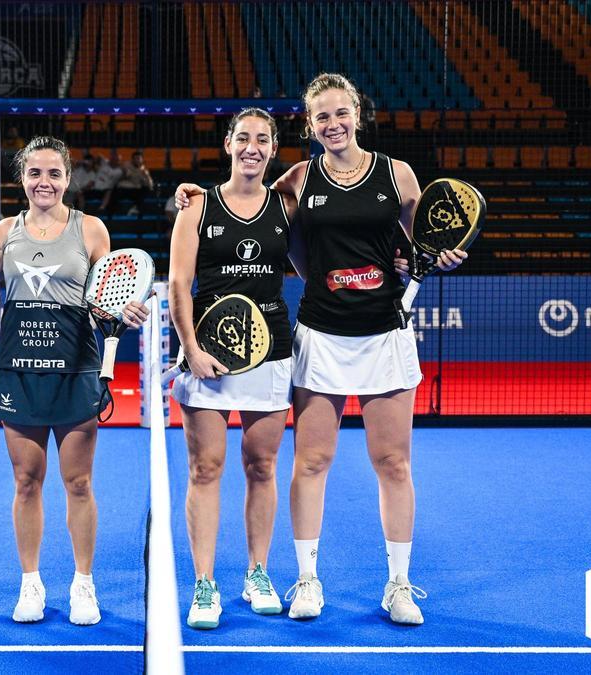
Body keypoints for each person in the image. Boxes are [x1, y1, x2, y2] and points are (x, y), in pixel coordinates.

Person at [175, 73, 465, 625]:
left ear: (358, 114)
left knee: (394, 462)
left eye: (341, 113)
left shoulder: (398, 176)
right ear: (310, 127)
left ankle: (399, 584)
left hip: (385, 331)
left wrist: (433, 258)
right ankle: (307, 579)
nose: (333, 124)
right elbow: (246, 201)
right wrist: (191, 193)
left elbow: (421, 243)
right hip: (320, 333)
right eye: (321, 117)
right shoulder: (297, 180)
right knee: (311, 461)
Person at [0, 136, 149, 626]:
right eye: (35, 173)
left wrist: (124, 310)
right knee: (26, 482)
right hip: (18, 373)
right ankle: (31, 584)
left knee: (79, 482)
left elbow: (103, 298)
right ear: (22, 179)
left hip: (75, 370)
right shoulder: (4, 232)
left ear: (68, 179)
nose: (44, 182)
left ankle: (83, 584)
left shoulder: (90, 229)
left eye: (54, 173)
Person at [168, 108, 296, 630]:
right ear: (227, 144)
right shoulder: (197, 207)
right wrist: (192, 349)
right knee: (206, 468)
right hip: (210, 354)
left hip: (269, 350)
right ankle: (205, 583)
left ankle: (257, 573)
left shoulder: (287, 206)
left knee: (262, 466)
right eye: (243, 137)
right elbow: (178, 285)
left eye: (262, 139)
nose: (252, 146)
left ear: (272, 149)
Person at [109, 150, 154, 216]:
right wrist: (125, 174)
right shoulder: (126, 165)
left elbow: (150, 186)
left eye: (139, 159)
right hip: (124, 189)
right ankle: (111, 214)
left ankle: (136, 209)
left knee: (146, 190)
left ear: (142, 160)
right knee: (114, 192)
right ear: (132, 159)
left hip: (135, 190)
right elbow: (119, 177)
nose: (138, 160)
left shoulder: (144, 170)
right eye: (136, 158)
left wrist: (146, 176)